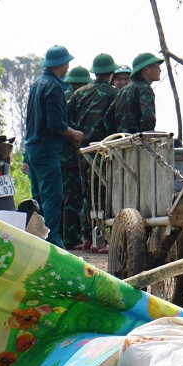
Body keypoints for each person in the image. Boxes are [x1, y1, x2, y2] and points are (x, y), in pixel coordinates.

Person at [23, 45, 83, 248]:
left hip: (32, 149)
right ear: (64, 64)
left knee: (38, 197)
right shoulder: (55, 87)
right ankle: (51, 241)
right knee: (52, 197)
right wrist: (73, 133)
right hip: (47, 150)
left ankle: (35, 238)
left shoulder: (37, 84)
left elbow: (31, 120)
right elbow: (55, 123)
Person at [65, 53, 120, 251]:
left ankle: (87, 237)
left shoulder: (79, 93)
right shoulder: (114, 94)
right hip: (103, 150)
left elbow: (66, 117)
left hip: (82, 150)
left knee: (86, 192)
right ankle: (99, 239)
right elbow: (115, 122)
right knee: (102, 193)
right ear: (111, 73)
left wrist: (75, 136)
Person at [59, 65, 91, 250]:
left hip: (63, 154)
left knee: (67, 196)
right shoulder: (73, 98)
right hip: (70, 155)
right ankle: (71, 238)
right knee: (73, 196)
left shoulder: (65, 96)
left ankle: (68, 236)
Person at [109, 52, 163, 134]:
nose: (160, 70)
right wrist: (145, 137)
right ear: (146, 70)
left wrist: (115, 137)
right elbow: (148, 117)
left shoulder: (123, 90)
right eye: (157, 66)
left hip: (122, 142)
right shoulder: (144, 88)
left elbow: (108, 117)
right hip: (137, 143)